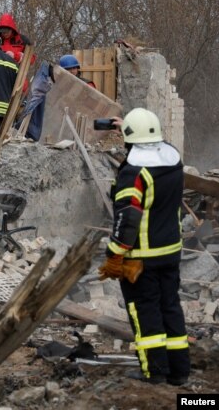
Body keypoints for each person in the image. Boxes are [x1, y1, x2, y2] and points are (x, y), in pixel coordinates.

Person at [98, 108, 189, 386]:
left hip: (142, 258)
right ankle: (179, 371)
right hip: (171, 252)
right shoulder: (173, 161)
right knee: (170, 307)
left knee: (145, 311)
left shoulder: (134, 172)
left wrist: (115, 253)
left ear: (129, 138)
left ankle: (154, 371)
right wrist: (130, 127)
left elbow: (128, 220)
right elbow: (155, 142)